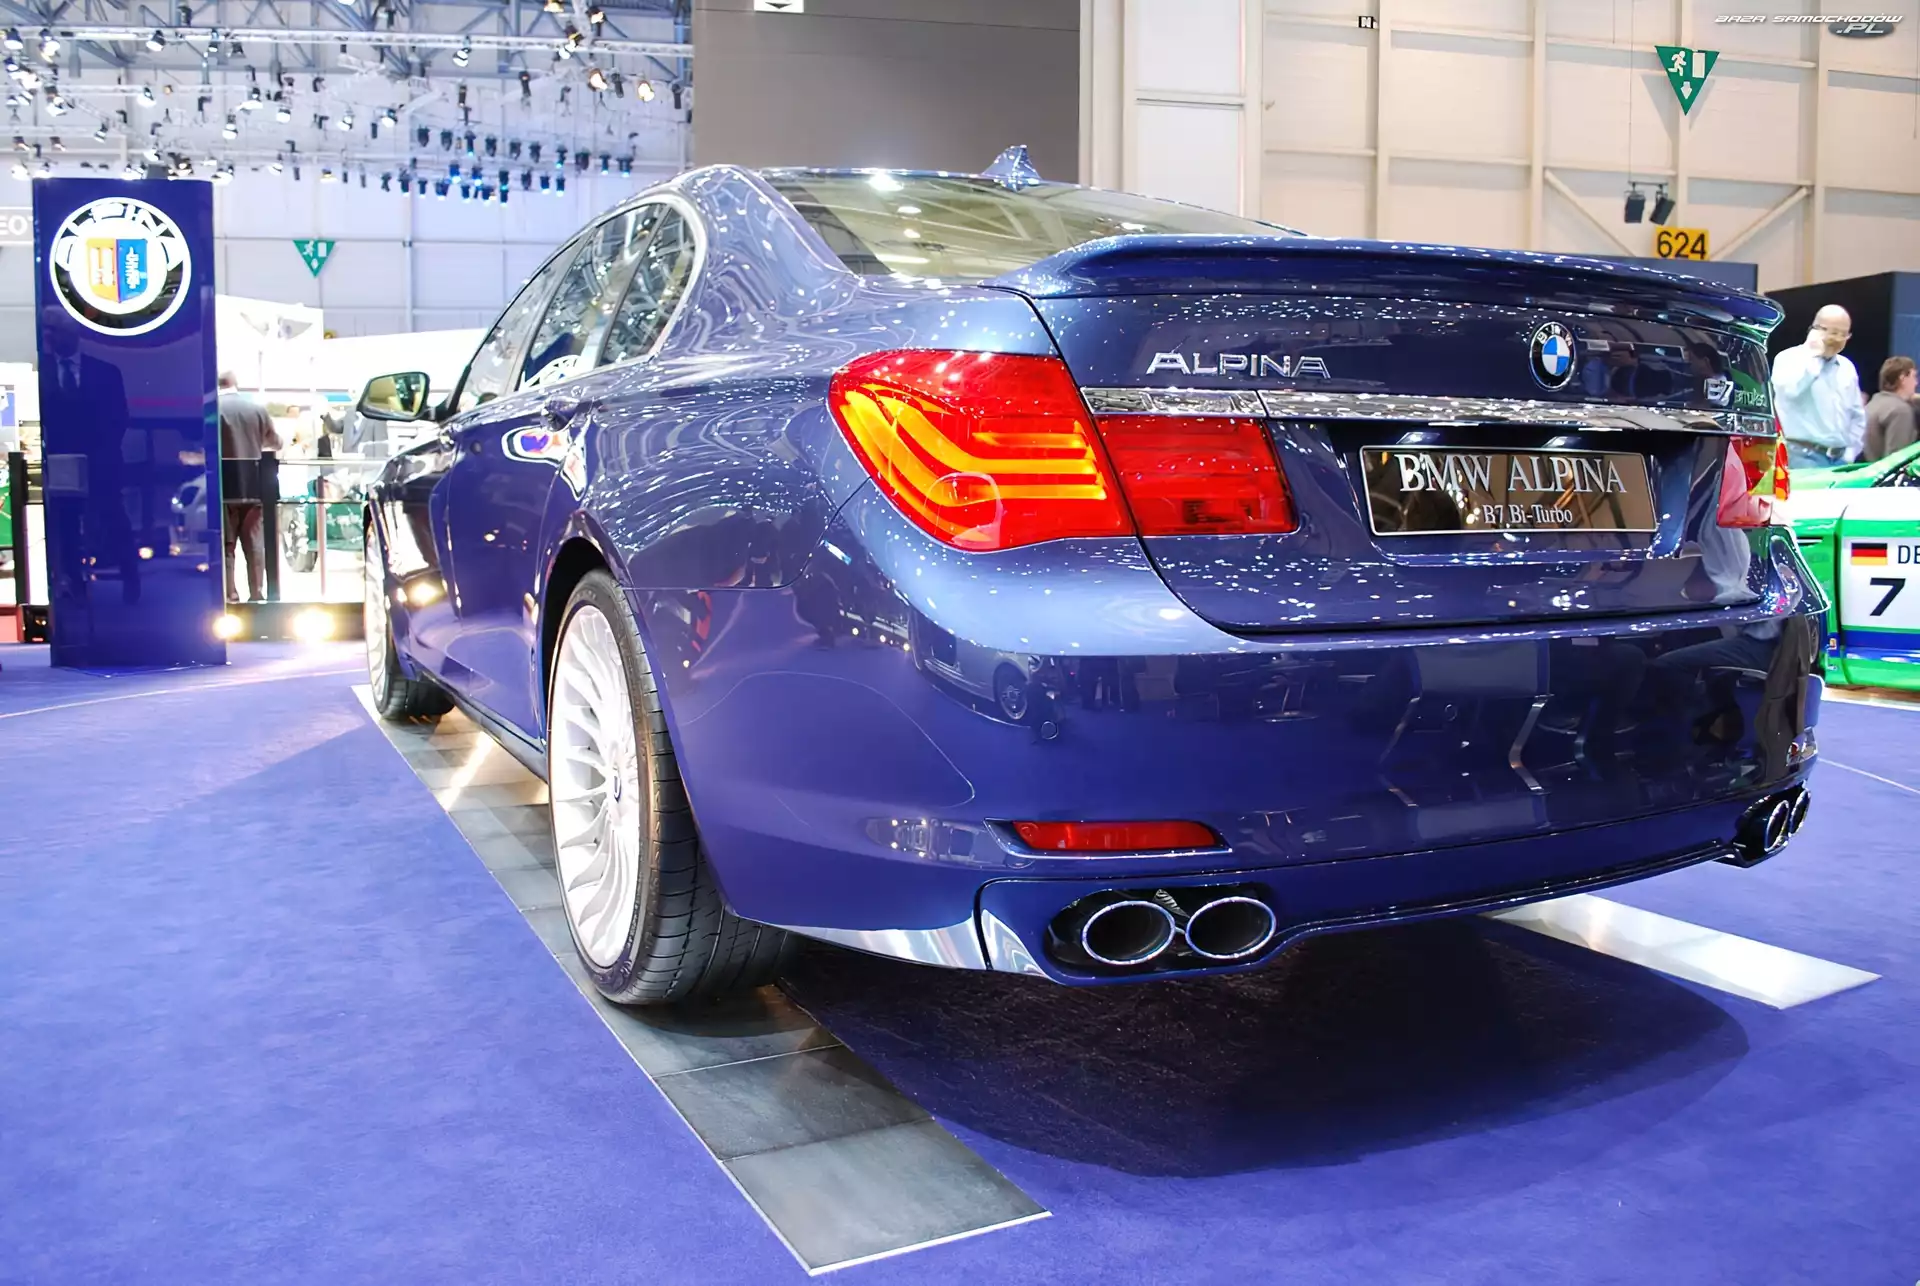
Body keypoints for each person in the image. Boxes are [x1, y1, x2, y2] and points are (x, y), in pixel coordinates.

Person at [1771, 304, 1866, 470]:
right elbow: (1791, 392)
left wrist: (1850, 453)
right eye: (1833, 332)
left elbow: (1857, 415)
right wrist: (1815, 357)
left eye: (1843, 334)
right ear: (1815, 330)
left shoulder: (1847, 367)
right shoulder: (1788, 358)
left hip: (1840, 460)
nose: (1837, 339)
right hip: (1800, 456)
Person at [218, 371, 281, 602]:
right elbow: (275, 442)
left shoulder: (213, 410)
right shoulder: (256, 409)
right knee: (254, 545)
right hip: (254, 485)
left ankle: (230, 595)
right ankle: (256, 594)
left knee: (226, 546)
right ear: (236, 384)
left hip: (224, 488)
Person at [1864, 356, 1919, 462]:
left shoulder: (1872, 405)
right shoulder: (1900, 411)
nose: (1916, 383)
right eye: (1914, 377)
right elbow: (1897, 460)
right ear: (1903, 378)